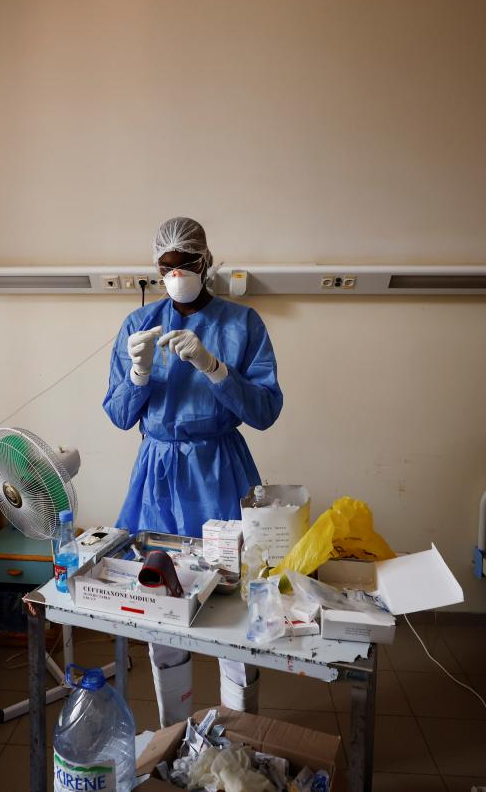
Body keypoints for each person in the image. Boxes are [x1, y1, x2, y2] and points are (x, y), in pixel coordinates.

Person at [103, 217, 283, 725]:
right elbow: (119, 416)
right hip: (157, 477)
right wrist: (138, 373)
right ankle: (174, 733)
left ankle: (238, 731)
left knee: (232, 604)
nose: (177, 272)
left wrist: (216, 368)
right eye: (167, 265)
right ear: (155, 269)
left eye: (187, 262)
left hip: (220, 469)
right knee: (163, 601)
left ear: (207, 261)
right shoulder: (137, 326)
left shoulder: (242, 324)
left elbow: (266, 411)